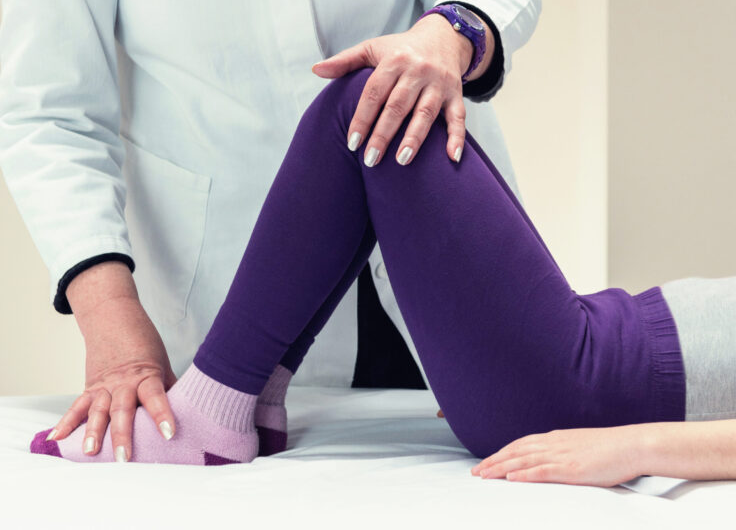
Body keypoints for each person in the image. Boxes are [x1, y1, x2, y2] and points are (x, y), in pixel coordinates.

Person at [30, 68, 736, 487]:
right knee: (379, 99)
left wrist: (632, 446)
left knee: (369, 102)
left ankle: (213, 413)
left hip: (597, 384)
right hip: (610, 339)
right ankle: (253, 399)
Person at [0, 0, 541, 456]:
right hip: (232, 281)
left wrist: (449, 34)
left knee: (500, 436)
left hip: (433, 224)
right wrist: (109, 313)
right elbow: (50, 115)